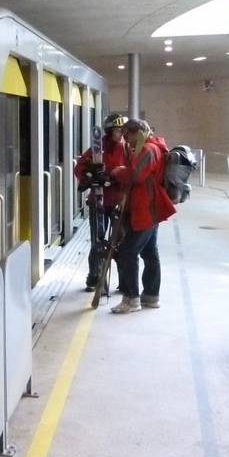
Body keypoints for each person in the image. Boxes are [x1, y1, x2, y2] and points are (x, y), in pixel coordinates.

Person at [108, 118, 176, 314]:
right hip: (149, 209)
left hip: (144, 209)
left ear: (137, 133)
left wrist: (119, 171)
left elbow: (136, 176)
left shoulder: (148, 150)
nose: (125, 140)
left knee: (127, 252)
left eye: (127, 135)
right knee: (149, 252)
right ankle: (151, 296)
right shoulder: (152, 147)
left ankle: (131, 299)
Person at [74, 114, 129, 291]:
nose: (121, 133)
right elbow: (79, 167)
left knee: (121, 242)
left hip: (119, 201)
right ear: (109, 130)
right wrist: (90, 176)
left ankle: (124, 280)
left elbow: (132, 173)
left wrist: (117, 178)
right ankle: (95, 277)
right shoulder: (98, 148)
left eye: (123, 130)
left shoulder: (127, 149)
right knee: (97, 241)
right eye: (118, 130)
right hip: (98, 202)